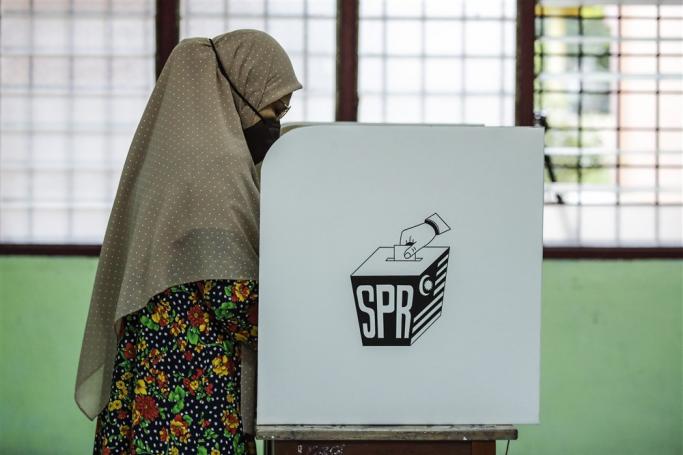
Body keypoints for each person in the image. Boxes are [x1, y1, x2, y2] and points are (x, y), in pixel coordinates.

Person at [74, 29, 302, 454]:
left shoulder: (176, 161)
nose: (277, 122)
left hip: (151, 371)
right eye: (274, 106)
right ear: (238, 89)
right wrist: (312, 317)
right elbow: (232, 298)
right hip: (191, 392)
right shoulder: (217, 169)